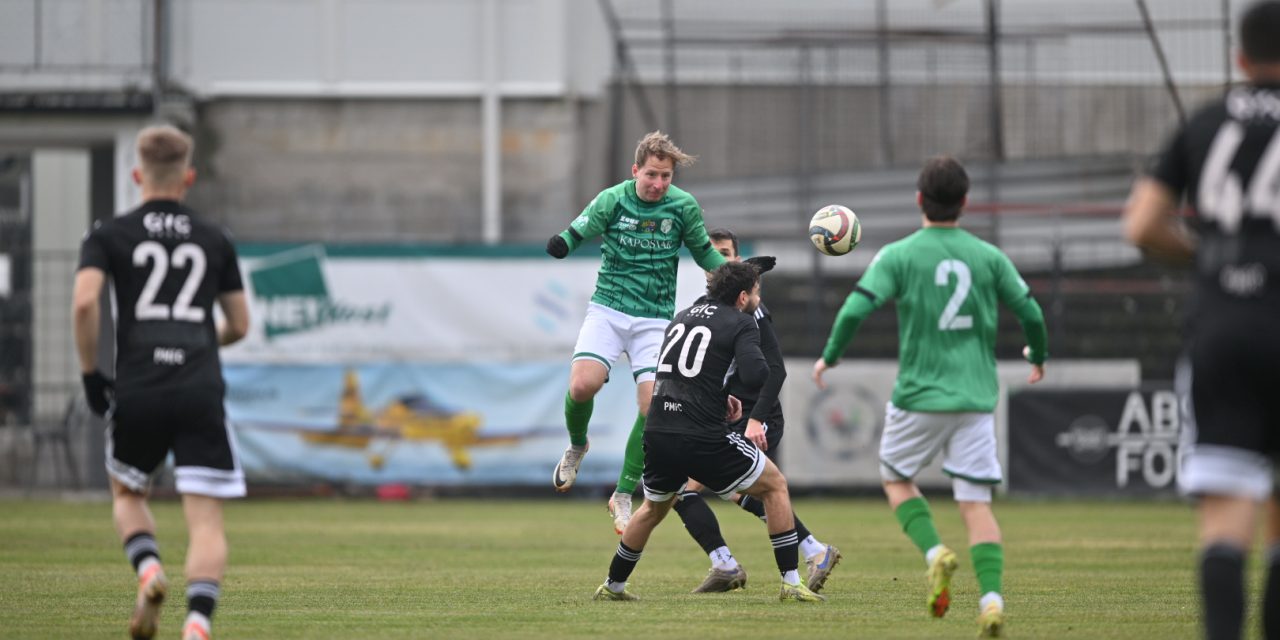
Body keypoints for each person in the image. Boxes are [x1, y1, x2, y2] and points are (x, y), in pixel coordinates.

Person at [813, 156, 1047, 637]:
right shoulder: (988, 256)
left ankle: (935, 552)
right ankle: (991, 602)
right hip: (976, 400)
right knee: (976, 503)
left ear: (919, 199)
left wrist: (830, 356)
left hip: (919, 395)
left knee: (895, 478)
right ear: (965, 202)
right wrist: (1037, 355)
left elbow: (857, 307)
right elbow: (1032, 313)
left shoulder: (899, 255)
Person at [1123, 3, 1280, 638]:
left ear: (1240, 58)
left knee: (1225, 518)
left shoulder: (1206, 123)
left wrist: (1204, 260)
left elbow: (1141, 224)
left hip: (1222, 328)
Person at [73, 125, 250, 640]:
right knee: (206, 522)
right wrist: (198, 341)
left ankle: (149, 571)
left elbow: (85, 302)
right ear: (188, 178)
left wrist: (90, 374)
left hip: (139, 384)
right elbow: (240, 324)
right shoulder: (216, 238)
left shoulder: (108, 234)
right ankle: (196, 625)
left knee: (128, 494)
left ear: (137, 176)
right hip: (198, 385)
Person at [546, 131, 770, 533]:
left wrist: (738, 277)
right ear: (636, 170)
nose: (659, 184)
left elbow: (704, 252)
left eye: (666, 176)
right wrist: (562, 243)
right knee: (582, 387)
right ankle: (578, 445)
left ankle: (622, 493)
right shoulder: (612, 200)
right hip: (609, 310)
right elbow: (577, 230)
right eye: (652, 174)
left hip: (654, 319)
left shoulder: (682, 207)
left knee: (653, 406)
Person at [592, 261, 824, 603]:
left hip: (658, 430)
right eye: (757, 291)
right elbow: (757, 374)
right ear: (743, 296)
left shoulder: (682, 316)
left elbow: (684, 375)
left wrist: (720, 396)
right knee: (775, 486)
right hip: (700, 435)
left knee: (653, 509)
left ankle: (613, 586)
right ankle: (791, 582)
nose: (758, 297)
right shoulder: (743, 321)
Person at [672, 228, 841, 594]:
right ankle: (812, 550)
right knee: (743, 494)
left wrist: (755, 419)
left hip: (752, 419)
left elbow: (775, 369)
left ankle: (727, 564)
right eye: (711, 253)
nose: (718, 259)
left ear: (736, 258)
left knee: (682, 488)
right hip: (724, 418)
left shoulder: (752, 307)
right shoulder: (713, 306)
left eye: (726, 252)